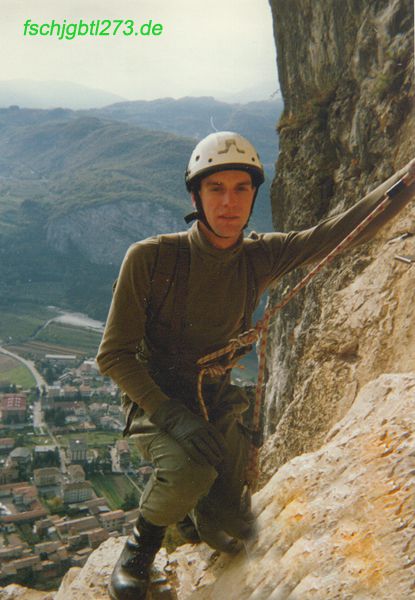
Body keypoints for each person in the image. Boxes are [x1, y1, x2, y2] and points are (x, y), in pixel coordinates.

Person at [96, 131, 415, 600]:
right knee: (190, 470)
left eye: (241, 188)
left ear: (254, 195)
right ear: (195, 196)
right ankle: (139, 553)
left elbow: (344, 230)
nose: (229, 203)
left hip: (216, 396)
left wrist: (405, 183)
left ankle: (192, 513)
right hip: (156, 397)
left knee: (234, 524)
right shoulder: (151, 258)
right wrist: (171, 417)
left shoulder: (260, 256)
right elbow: (114, 354)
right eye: (216, 189)